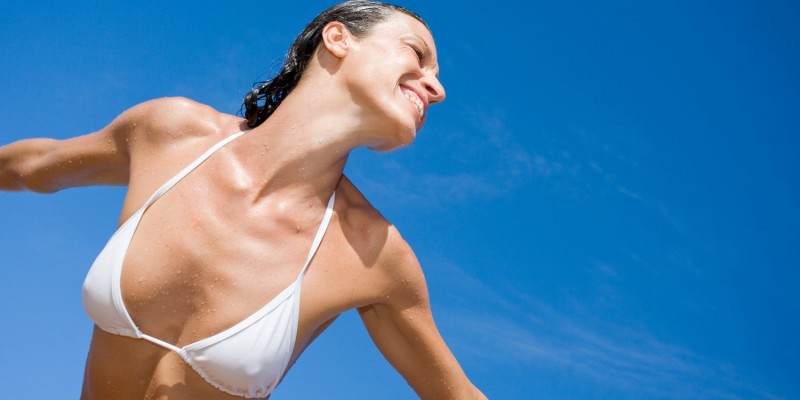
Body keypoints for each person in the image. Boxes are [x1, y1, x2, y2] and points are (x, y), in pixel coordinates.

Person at [0, 1, 486, 399]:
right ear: (338, 39)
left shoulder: (372, 254)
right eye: (417, 55)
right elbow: (32, 166)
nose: (437, 88)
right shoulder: (172, 135)